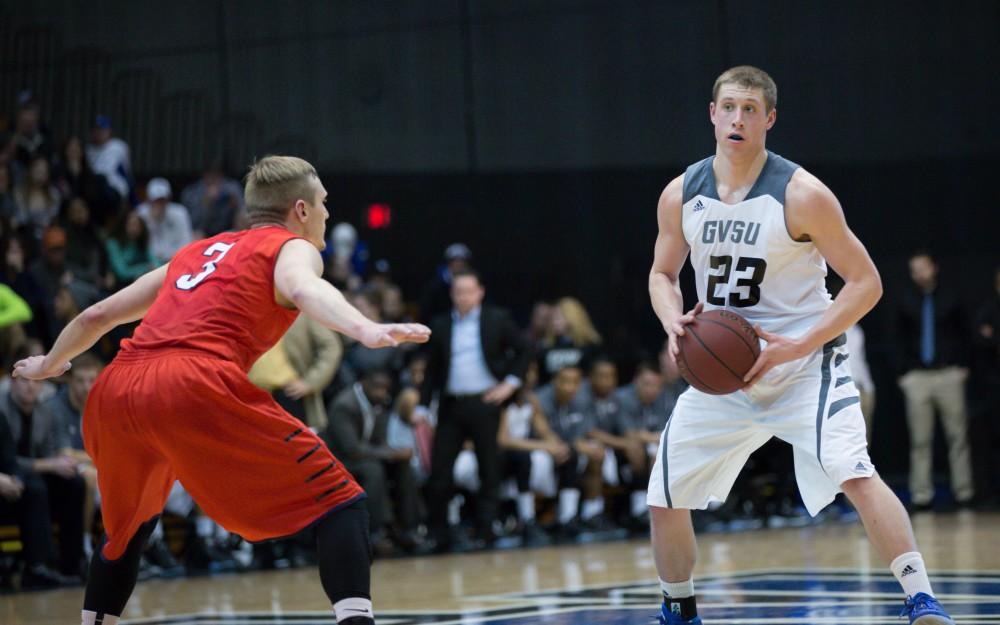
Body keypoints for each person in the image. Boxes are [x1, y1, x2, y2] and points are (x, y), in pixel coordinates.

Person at [12, 155, 430, 625]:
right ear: (301, 209)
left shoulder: (196, 251)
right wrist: (365, 329)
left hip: (117, 387)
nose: (328, 212)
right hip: (191, 381)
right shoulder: (291, 247)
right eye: (324, 203)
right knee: (341, 501)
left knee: (127, 531)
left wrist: (50, 364)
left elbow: (97, 316)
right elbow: (305, 289)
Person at [646, 66, 954, 624]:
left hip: (804, 363)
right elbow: (662, 274)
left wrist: (797, 345)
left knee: (855, 472)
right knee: (664, 495)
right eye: (728, 107)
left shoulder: (801, 193)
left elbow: (867, 283)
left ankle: (921, 598)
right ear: (712, 114)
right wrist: (674, 321)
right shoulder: (681, 193)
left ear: (769, 119)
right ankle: (679, 609)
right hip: (724, 369)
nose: (738, 119)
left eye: (750, 110)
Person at [418, 268, 531, 551]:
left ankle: (486, 531)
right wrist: (422, 404)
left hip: (485, 403)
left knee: (489, 469)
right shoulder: (441, 324)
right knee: (440, 472)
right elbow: (432, 371)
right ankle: (438, 534)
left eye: (468, 291)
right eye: (457, 292)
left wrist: (509, 384)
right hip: (451, 405)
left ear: (480, 292)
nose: (463, 297)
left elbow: (526, 350)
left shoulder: (497, 319)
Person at [894, 251, 974, 510]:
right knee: (920, 439)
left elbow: (966, 333)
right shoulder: (905, 299)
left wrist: (964, 367)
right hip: (918, 377)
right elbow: (896, 337)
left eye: (923, 268)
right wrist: (903, 374)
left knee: (957, 436)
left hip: (949, 374)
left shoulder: (952, 296)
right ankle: (921, 495)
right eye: (914, 269)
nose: (919, 274)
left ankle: (964, 492)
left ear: (934, 268)